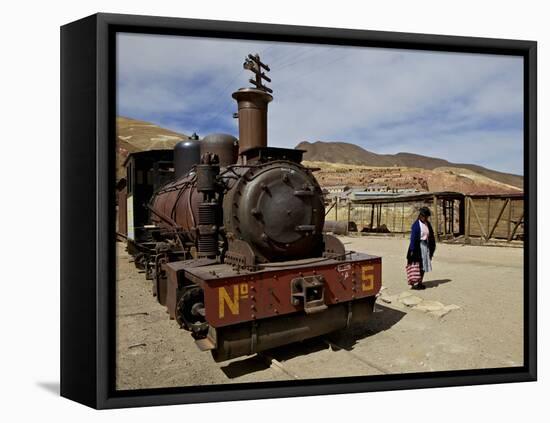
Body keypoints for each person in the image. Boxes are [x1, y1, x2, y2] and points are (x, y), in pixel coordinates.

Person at [406, 206, 436, 290]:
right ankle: (413, 282)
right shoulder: (416, 225)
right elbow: (413, 238)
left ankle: (420, 282)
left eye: (426, 216)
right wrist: (412, 250)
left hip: (425, 247)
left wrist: (432, 248)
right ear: (420, 215)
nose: (424, 218)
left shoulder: (427, 224)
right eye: (423, 216)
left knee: (423, 266)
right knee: (415, 265)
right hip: (417, 247)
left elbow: (431, 236)